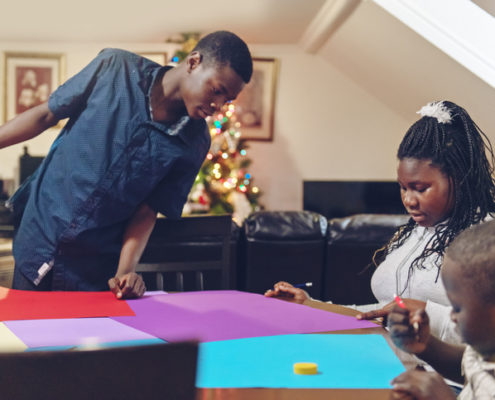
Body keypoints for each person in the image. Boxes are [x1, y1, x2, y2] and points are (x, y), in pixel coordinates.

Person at [0, 31, 253, 299]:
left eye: (227, 100)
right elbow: (46, 114)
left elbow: (148, 210)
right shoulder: (113, 68)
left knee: (77, 342)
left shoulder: (196, 142)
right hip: (40, 233)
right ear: (193, 62)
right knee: (29, 336)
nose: (218, 106)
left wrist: (125, 272)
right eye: (217, 90)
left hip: (94, 266)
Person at [265, 100, 495, 344]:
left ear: (458, 178)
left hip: (447, 379)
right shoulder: (416, 233)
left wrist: (425, 312)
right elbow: (378, 314)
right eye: (403, 188)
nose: (409, 201)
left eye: (420, 188)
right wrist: (310, 305)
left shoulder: (484, 238)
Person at [387, 219, 495, 400]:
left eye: (458, 308)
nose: (452, 316)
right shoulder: (486, 348)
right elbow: (467, 366)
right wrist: (425, 346)